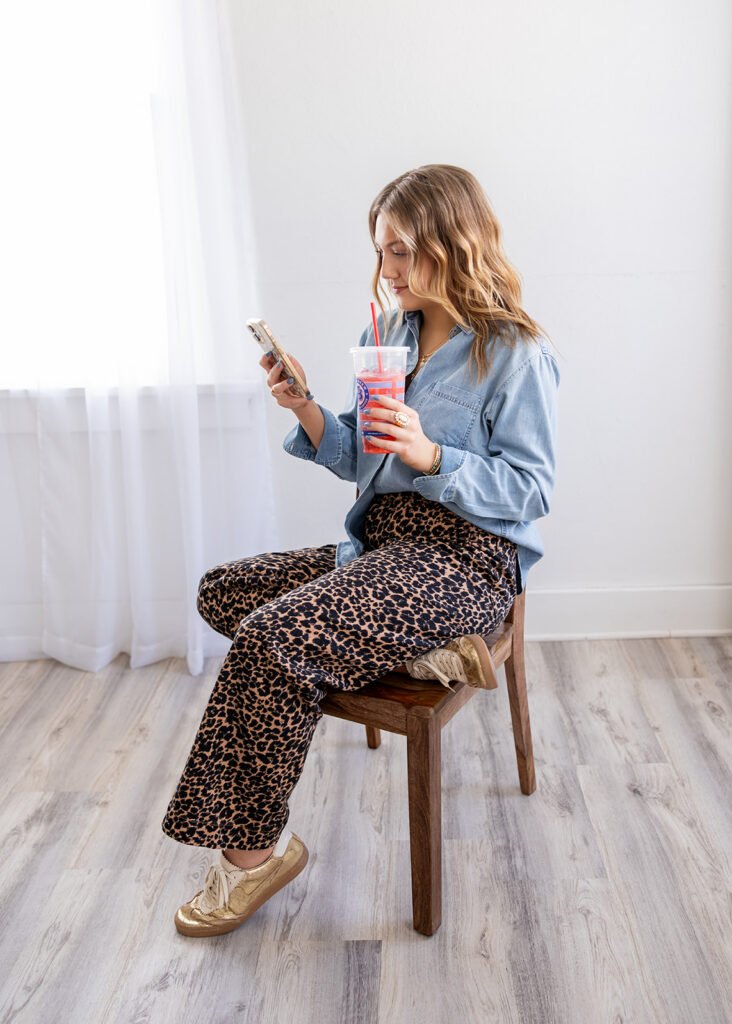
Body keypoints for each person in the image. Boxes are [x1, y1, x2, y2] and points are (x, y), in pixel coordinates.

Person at [162, 163, 560, 937]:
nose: (388, 271)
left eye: (404, 251)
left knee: (275, 640)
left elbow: (532, 492)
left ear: (454, 242)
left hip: (462, 561)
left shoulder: (514, 352)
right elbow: (358, 457)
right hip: (378, 550)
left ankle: (253, 859)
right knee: (221, 590)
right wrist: (307, 407)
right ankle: (427, 650)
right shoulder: (386, 335)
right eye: (382, 252)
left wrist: (435, 458)